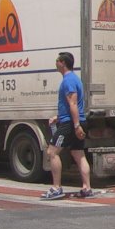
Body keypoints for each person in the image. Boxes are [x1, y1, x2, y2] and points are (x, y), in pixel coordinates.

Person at [42, 51, 93, 200]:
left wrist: (76, 126)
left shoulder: (68, 81)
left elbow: (73, 104)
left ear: (63, 63)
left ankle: (56, 188)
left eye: (57, 61)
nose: (56, 63)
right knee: (78, 154)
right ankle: (86, 188)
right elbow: (70, 106)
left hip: (70, 124)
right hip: (72, 121)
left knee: (52, 152)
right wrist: (58, 117)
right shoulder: (74, 79)